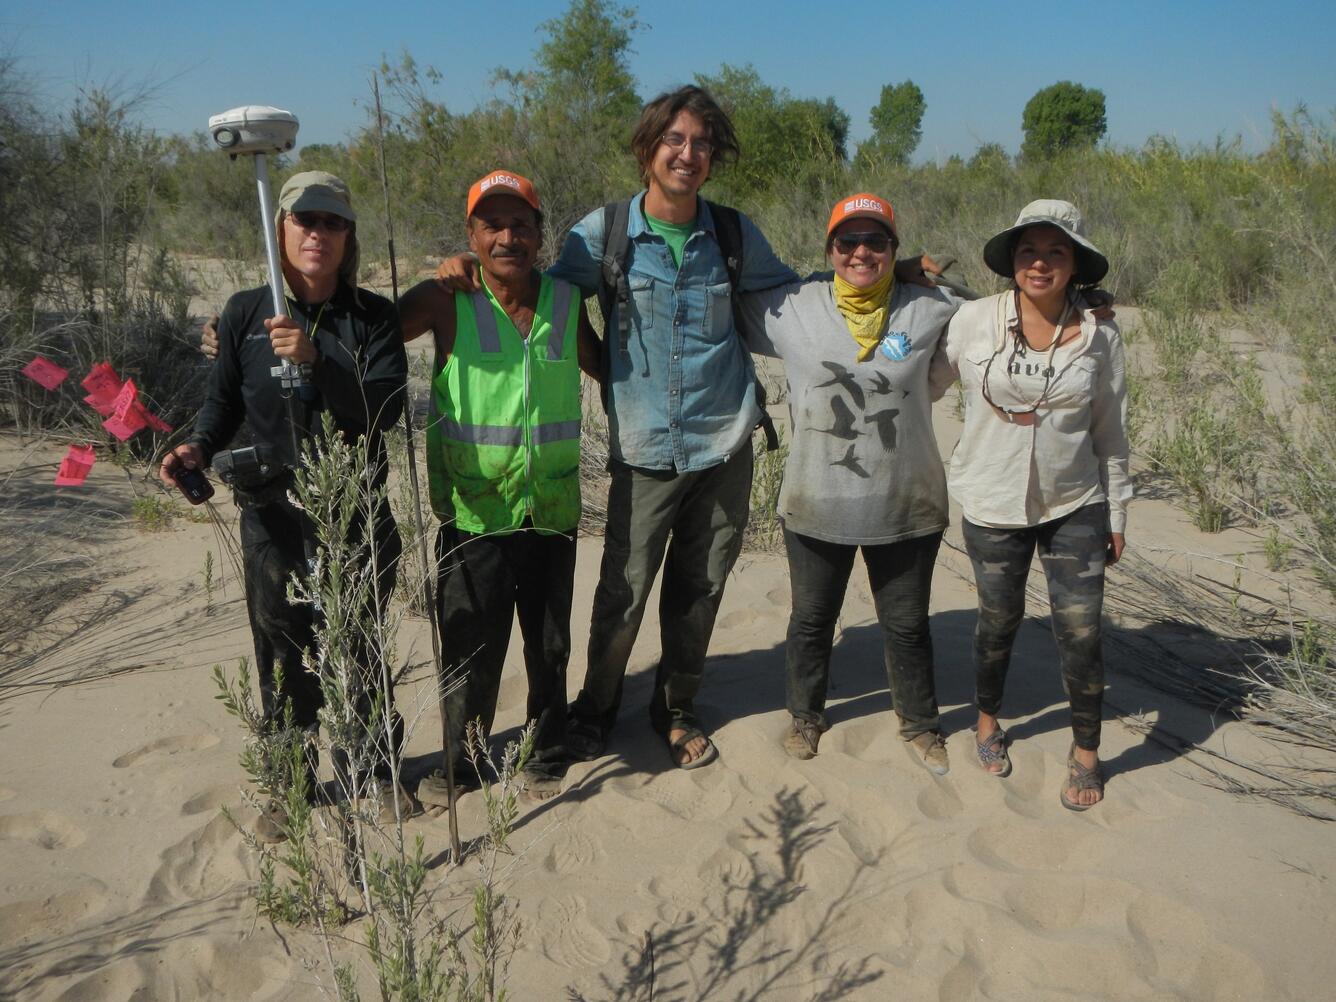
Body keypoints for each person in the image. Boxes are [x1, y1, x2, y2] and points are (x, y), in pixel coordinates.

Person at [436, 87, 801, 769]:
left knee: (700, 589)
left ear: (713, 157)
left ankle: (676, 709)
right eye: (675, 140)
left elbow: (795, 295)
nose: (687, 154)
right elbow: (533, 287)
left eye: (700, 143)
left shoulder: (732, 234)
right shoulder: (600, 235)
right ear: (648, 149)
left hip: (725, 442)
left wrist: (890, 277)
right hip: (643, 446)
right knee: (623, 594)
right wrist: (465, 271)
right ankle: (596, 710)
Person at [160, 171, 410, 839]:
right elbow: (222, 406)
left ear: (348, 236)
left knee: (360, 647)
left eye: (332, 223)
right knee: (281, 650)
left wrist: (318, 360)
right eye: (305, 220)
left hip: (354, 511)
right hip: (273, 518)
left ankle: (376, 771)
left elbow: (382, 408)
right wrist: (195, 447)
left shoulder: (372, 316)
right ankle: (291, 785)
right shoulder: (246, 312)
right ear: (281, 230)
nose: (318, 234)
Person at [735, 193, 960, 774]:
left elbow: (1008, 314)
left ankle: (920, 723)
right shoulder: (793, 307)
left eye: (877, 242)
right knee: (811, 619)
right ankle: (806, 716)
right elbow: (715, 302)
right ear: (829, 250)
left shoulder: (930, 307)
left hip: (906, 499)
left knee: (907, 624)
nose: (862, 252)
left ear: (895, 249)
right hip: (817, 499)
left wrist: (1087, 300)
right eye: (848, 242)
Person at [396, 170, 600, 800]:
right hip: (473, 515)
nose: (508, 236)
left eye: (521, 224)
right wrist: (246, 332)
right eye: (493, 225)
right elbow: (364, 334)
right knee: (468, 645)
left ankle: (547, 750)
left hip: (551, 508)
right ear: (472, 234)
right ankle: (462, 763)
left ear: (541, 234)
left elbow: (612, 367)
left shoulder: (567, 301)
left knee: (549, 642)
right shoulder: (443, 299)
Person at [942, 199, 1131, 810]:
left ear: (1075, 263)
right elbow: (918, 379)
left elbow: (1111, 430)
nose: (1040, 263)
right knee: (997, 621)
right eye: (1029, 251)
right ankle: (988, 722)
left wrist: (1118, 512)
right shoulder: (971, 320)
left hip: (1074, 501)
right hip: (991, 500)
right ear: (1012, 261)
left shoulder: (1101, 334)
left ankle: (1085, 755)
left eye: (1056, 252)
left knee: (1081, 632)